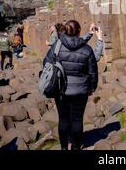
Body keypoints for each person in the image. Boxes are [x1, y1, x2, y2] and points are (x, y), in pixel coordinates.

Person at [43, 20, 102, 150]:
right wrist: (92, 87)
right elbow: (93, 71)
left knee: (63, 120)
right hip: (80, 91)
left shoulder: (57, 46)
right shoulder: (87, 49)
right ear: (79, 31)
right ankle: (76, 146)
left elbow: (46, 64)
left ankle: (64, 147)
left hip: (60, 90)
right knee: (77, 119)